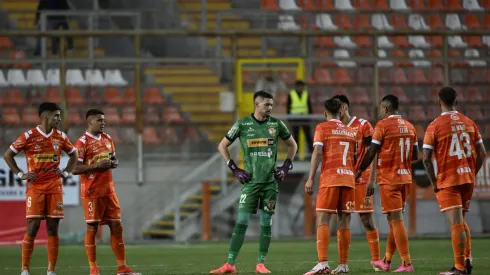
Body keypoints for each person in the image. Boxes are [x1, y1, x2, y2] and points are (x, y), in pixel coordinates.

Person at [210, 91, 298, 274]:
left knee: (266, 223)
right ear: (256, 105)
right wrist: (234, 168)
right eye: (267, 105)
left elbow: (293, 145)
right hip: (250, 182)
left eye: (272, 105)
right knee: (241, 222)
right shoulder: (242, 124)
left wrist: (286, 166)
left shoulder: (276, 124)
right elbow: (222, 145)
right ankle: (230, 264)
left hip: (270, 182)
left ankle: (260, 264)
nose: (270, 108)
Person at [3, 102, 78, 275]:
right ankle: (25, 269)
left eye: (59, 116)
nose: (59, 119)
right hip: (35, 188)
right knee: (33, 226)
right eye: (56, 116)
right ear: (45, 116)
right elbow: (8, 155)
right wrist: (21, 174)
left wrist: (66, 172)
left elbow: (74, 154)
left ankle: (51, 270)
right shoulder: (28, 136)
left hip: (55, 188)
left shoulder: (61, 136)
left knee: (53, 228)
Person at [422, 87, 486, 275]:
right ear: (457, 101)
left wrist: (433, 182)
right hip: (467, 177)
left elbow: (426, 158)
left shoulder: (435, 125)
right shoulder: (469, 122)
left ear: (438, 102)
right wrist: (473, 172)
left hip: (448, 180)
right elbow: (481, 153)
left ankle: (459, 267)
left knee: (456, 222)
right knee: (461, 220)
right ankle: (468, 258)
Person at [72, 109, 141, 275]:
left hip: (109, 190)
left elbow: (111, 158)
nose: (103, 123)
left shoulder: (108, 139)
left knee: (117, 226)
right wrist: (96, 166)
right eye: (99, 120)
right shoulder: (81, 143)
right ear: (90, 122)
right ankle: (93, 269)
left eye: (103, 120)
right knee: (92, 228)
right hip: (92, 191)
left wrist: (113, 162)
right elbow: (74, 169)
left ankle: (122, 268)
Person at [355, 94, 418, 273]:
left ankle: (406, 263)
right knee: (394, 220)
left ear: (385, 109)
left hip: (390, 179)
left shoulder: (382, 126)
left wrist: (359, 171)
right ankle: (387, 260)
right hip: (405, 178)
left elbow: (371, 152)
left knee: (396, 221)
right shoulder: (410, 126)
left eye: (381, 109)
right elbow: (414, 155)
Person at [303, 98, 357, 275]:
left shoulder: (322, 128)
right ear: (341, 111)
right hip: (349, 179)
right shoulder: (350, 130)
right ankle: (342, 265)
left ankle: (323, 263)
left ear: (325, 113)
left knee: (323, 218)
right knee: (344, 221)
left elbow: (318, 152)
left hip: (331, 178)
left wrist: (311, 178)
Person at [331, 94, 382, 270]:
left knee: (367, 219)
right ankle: (342, 263)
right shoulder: (334, 127)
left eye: (336, 109)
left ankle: (376, 259)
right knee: (342, 218)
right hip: (343, 179)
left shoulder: (363, 125)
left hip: (362, 178)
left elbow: (373, 153)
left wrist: (372, 179)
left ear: (343, 108)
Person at [287, 80, 314, 155]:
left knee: (308, 137)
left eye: (302, 86)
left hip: (305, 118)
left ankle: (311, 154)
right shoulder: (291, 94)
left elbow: (309, 106)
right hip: (295, 118)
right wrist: (289, 118)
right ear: (296, 87)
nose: (300, 88)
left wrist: (310, 117)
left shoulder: (306, 94)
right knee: (296, 137)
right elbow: (288, 107)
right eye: (299, 86)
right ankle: (296, 155)